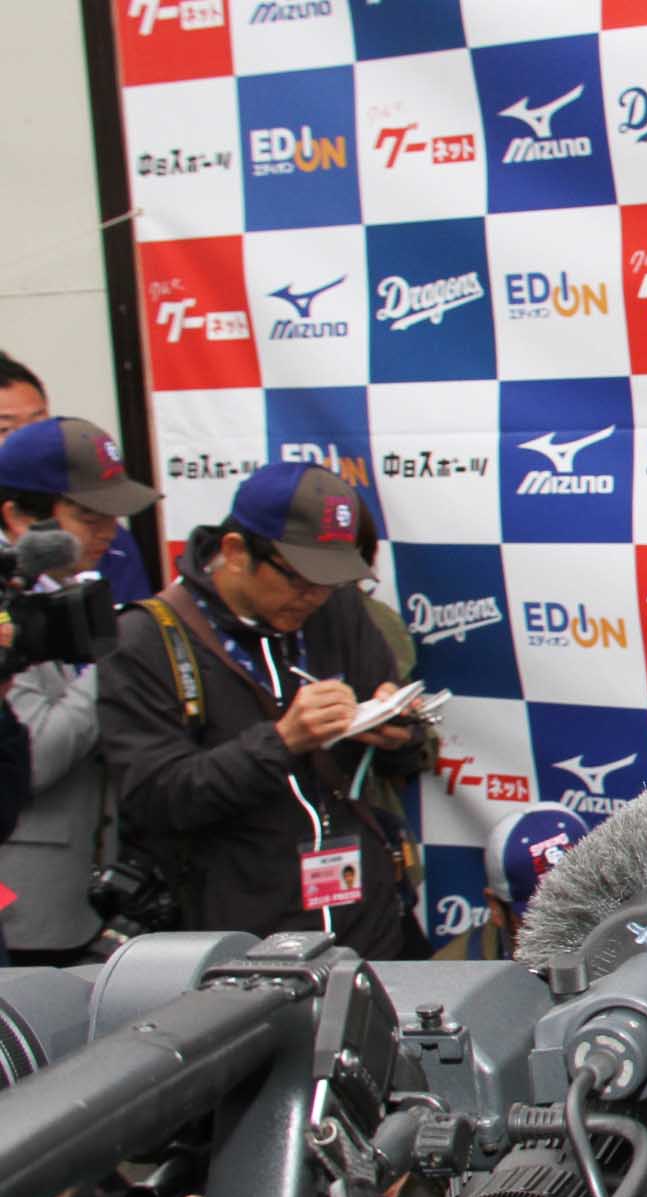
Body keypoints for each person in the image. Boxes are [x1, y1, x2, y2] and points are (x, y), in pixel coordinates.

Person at [96, 461, 426, 959]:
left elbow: (399, 758)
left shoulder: (337, 609)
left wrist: (400, 730)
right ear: (235, 553)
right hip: (240, 942)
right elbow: (155, 798)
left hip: (367, 922)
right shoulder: (146, 638)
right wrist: (284, 740)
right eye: (300, 578)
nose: (315, 595)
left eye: (332, 579)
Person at [0, 416, 160, 960]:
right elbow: (36, 754)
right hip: (26, 902)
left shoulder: (75, 590)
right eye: (89, 517)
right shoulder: (9, 607)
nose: (108, 533)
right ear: (19, 517)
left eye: (113, 518)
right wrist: (112, 654)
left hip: (93, 893)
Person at [0, 353, 151, 604]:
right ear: (16, 517)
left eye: (39, 423)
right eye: (4, 429)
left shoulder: (109, 541)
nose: (27, 441)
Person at [482, 803, 588, 955]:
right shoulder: (457, 973)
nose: (570, 932)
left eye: (584, 907)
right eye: (544, 920)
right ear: (496, 909)